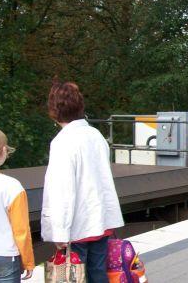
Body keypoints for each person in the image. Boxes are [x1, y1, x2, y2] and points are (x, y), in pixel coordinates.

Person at [42, 81, 124, 281]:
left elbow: (62, 190)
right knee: (98, 273)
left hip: (77, 225)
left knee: (74, 277)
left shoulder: (63, 142)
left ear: (54, 110)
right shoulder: (96, 135)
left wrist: (59, 231)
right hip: (101, 220)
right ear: (80, 106)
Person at [0, 127, 34, 282]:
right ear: (3, 150)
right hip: (5, 256)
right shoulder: (12, 186)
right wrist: (28, 261)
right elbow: (21, 230)